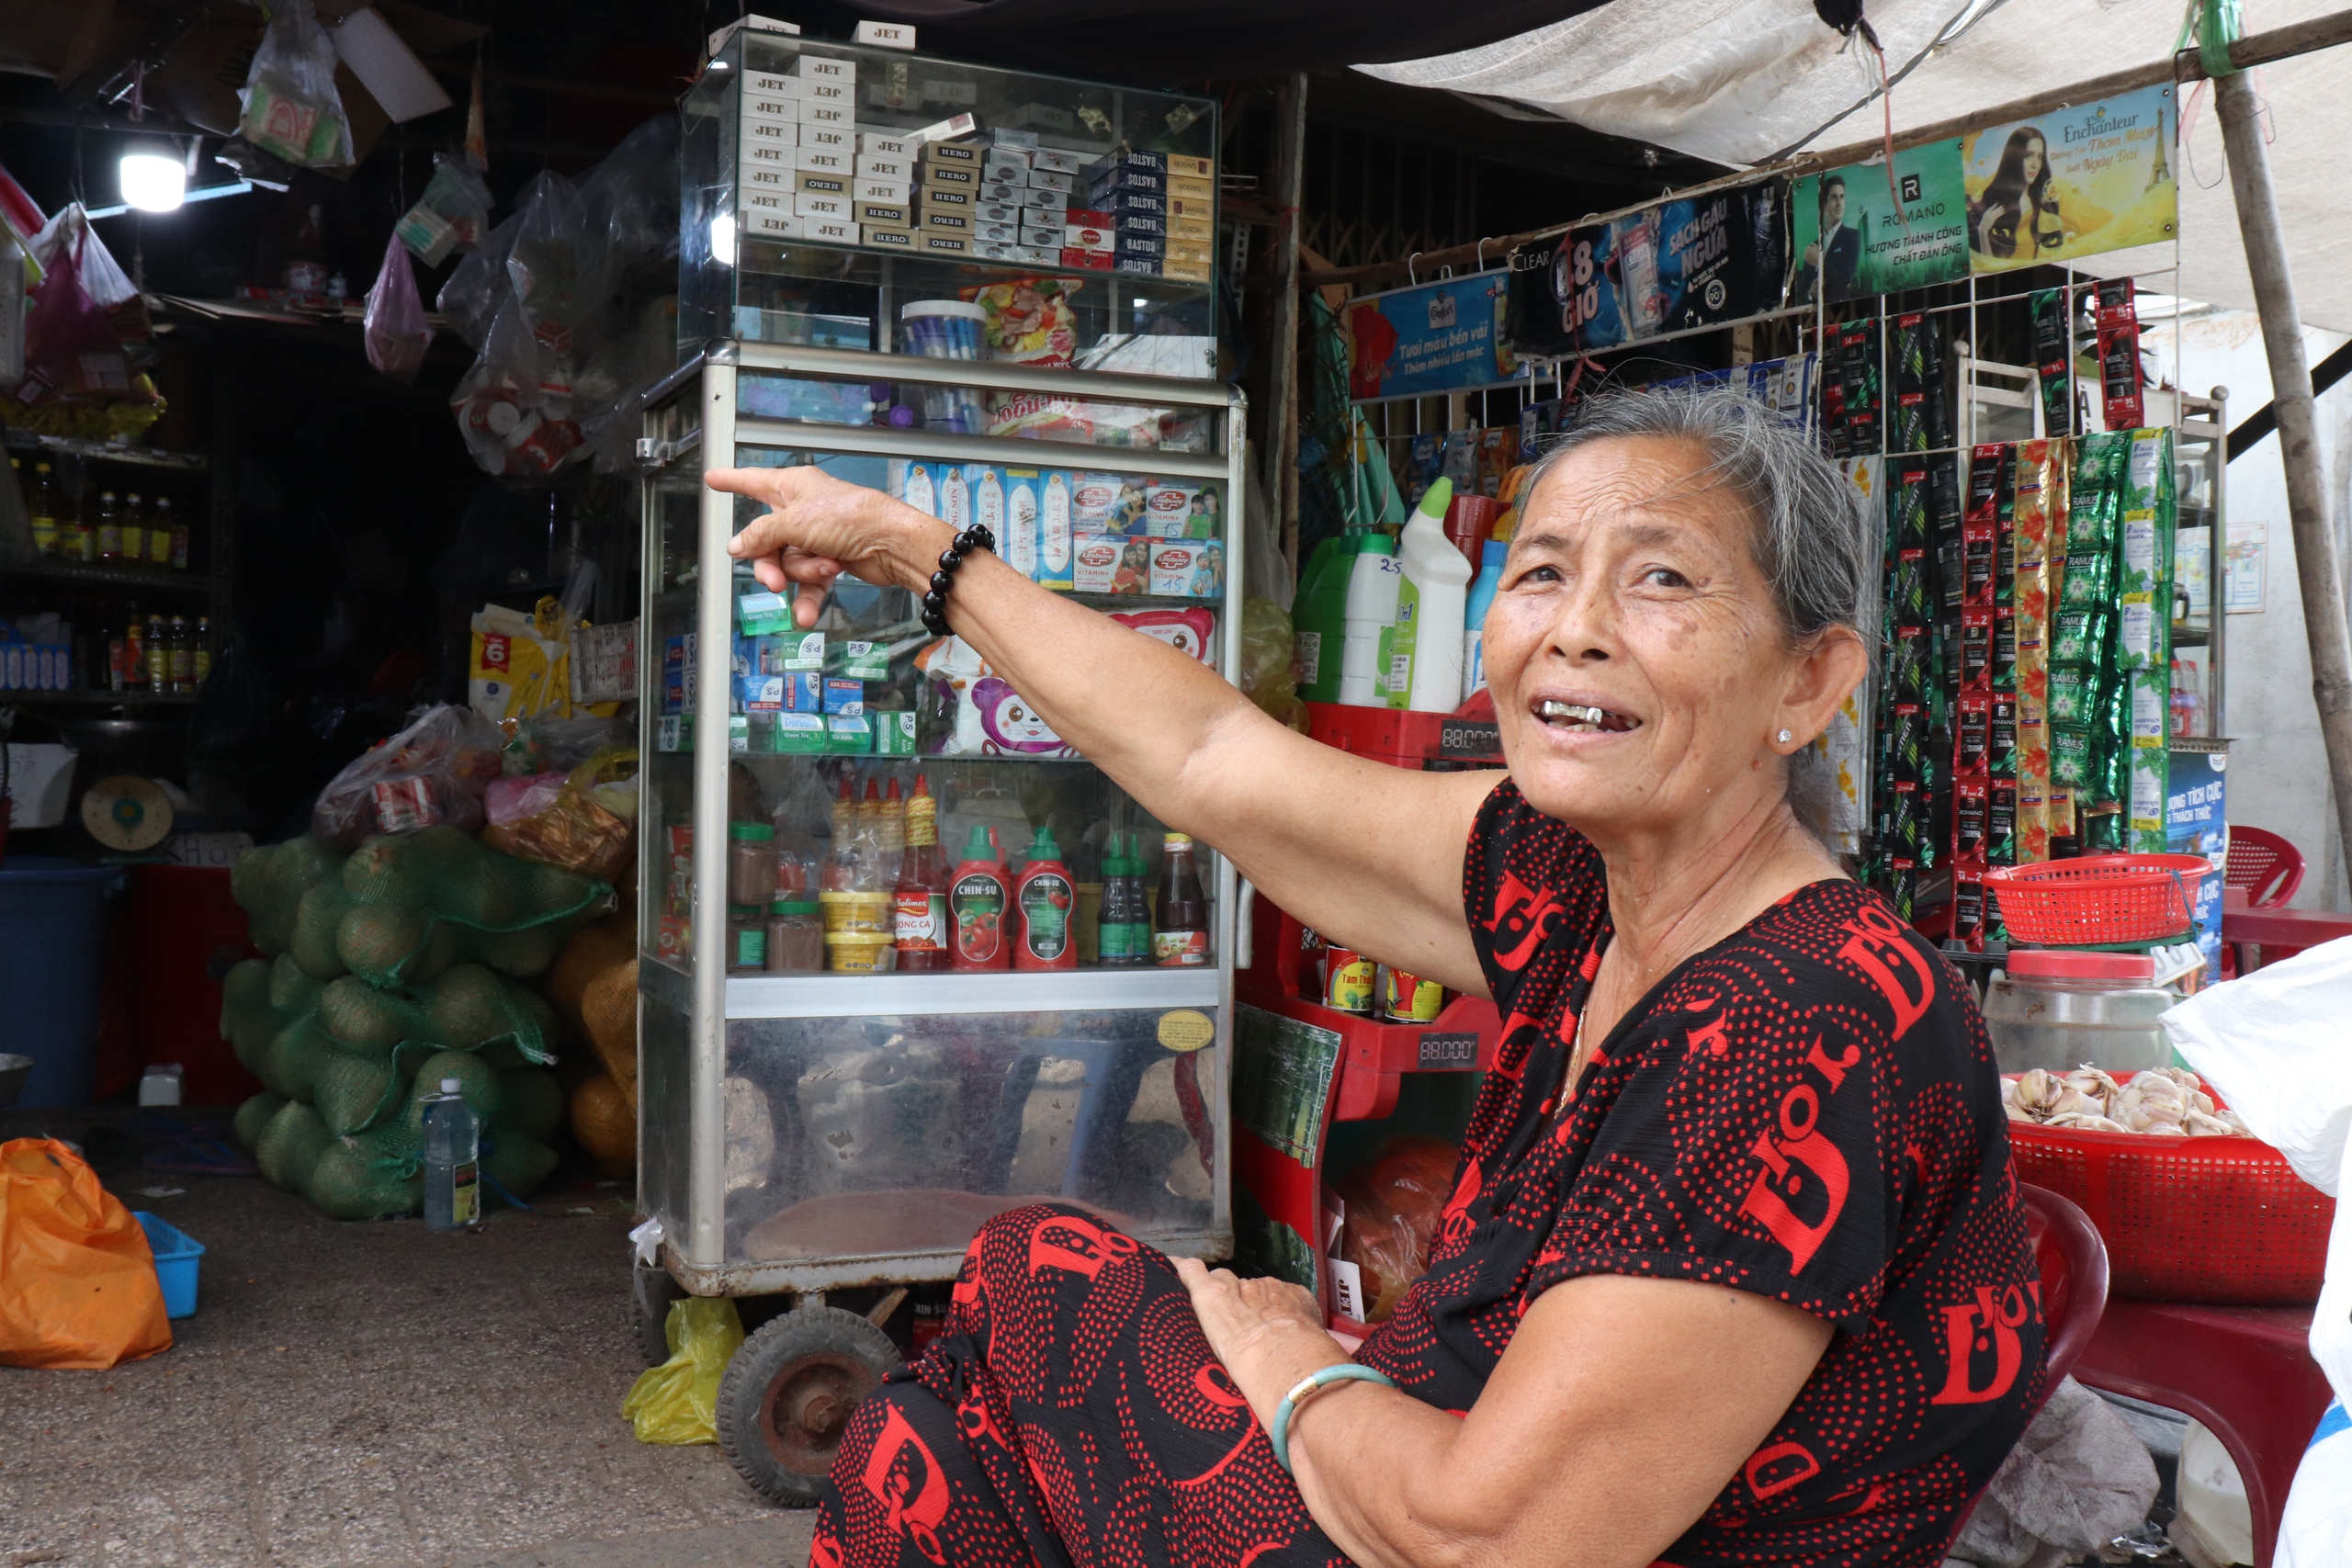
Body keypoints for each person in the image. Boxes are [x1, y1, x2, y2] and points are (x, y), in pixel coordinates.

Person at [710, 388, 2044, 1568]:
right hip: (1431, 1469)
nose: (1573, 632)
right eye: (1538, 573)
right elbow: (1213, 761)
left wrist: (1297, 1369)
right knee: (966, 1417)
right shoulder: (1577, 882)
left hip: (1468, 1532)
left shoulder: (1799, 1015)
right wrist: (916, 554)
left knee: (1033, 1286)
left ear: (1809, 678)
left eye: (1661, 582)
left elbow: (1499, 1538)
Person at [1969, 127, 2112, 264]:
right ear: (2014, 158)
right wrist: (1983, 231)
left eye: (2040, 157)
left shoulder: (2045, 205)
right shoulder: (1991, 205)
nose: (2035, 165)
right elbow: (1989, 269)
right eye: (2028, 156)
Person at [1793, 174, 1860, 301]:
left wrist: (1819, 263)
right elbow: (1800, 294)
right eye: (1834, 197)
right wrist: (1810, 294)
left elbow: (1846, 280)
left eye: (1842, 197)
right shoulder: (1813, 247)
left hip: (1843, 310)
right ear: (1824, 204)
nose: (1839, 203)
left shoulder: (1852, 237)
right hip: (1817, 317)